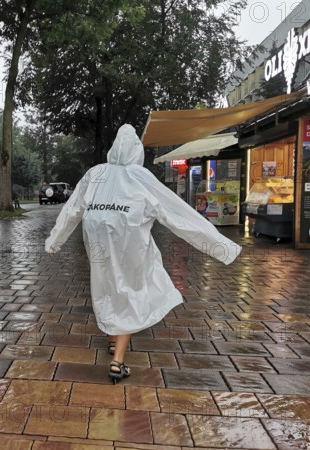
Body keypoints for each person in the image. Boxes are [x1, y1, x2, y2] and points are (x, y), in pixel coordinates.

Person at [45, 124, 242, 383]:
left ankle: (114, 340)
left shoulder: (96, 174)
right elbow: (178, 214)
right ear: (137, 150)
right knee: (131, 291)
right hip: (131, 244)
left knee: (107, 287)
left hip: (98, 241)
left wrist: (54, 242)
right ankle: (118, 362)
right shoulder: (141, 177)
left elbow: (72, 210)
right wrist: (221, 246)